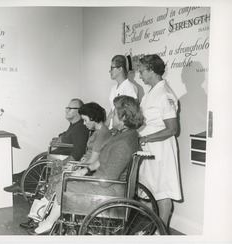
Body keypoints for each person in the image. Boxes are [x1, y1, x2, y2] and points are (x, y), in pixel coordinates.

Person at [29, 95, 144, 235]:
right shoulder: (125, 135)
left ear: (124, 117)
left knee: (65, 184)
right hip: (109, 183)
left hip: (111, 188)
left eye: (114, 112)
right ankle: (49, 222)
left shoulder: (123, 143)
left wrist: (83, 177)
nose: (111, 115)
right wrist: (86, 170)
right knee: (66, 180)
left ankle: (49, 222)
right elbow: (102, 159)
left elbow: (107, 178)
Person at [20, 102, 112, 230]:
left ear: (92, 117)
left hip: (89, 171)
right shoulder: (97, 130)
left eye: (85, 120)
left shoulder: (102, 134)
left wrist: (76, 166)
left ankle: (38, 218)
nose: (84, 124)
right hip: (83, 166)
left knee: (55, 181)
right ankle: (38, 217)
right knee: (53, 179)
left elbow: (92, 161)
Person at [3, 98, 89, 193]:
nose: (66, 110)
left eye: (70, 108)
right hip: (59, 154)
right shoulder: (74, 125)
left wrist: (62, 163)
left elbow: (78, 152)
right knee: (41, 159)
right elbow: (67, 134)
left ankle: (23, 185)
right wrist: (62, 137)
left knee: (43, 162)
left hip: (63, 158)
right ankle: (19, 177)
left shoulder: (80, 128)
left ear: (79, 111)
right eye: (67, 107)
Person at [137, 54, 182, 230]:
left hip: (161, 148)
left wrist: (146, 138)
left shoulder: (164, 94)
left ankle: (161, 233)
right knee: (149, 190)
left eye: (141, 71)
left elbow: (172, 129)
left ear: (151, 70)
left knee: (163, 192)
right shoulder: (151, 92)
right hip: (149, 148)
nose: (140, 76)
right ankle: (153, 228)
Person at [105, 55, 138, 129]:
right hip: (113, 128)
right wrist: (105, 126)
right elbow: (113, 109)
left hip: (122, 129)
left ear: (120, 69)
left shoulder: (130, 87)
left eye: (112, 68)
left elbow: (131, 113)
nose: (110, 71)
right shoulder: (113, 88)